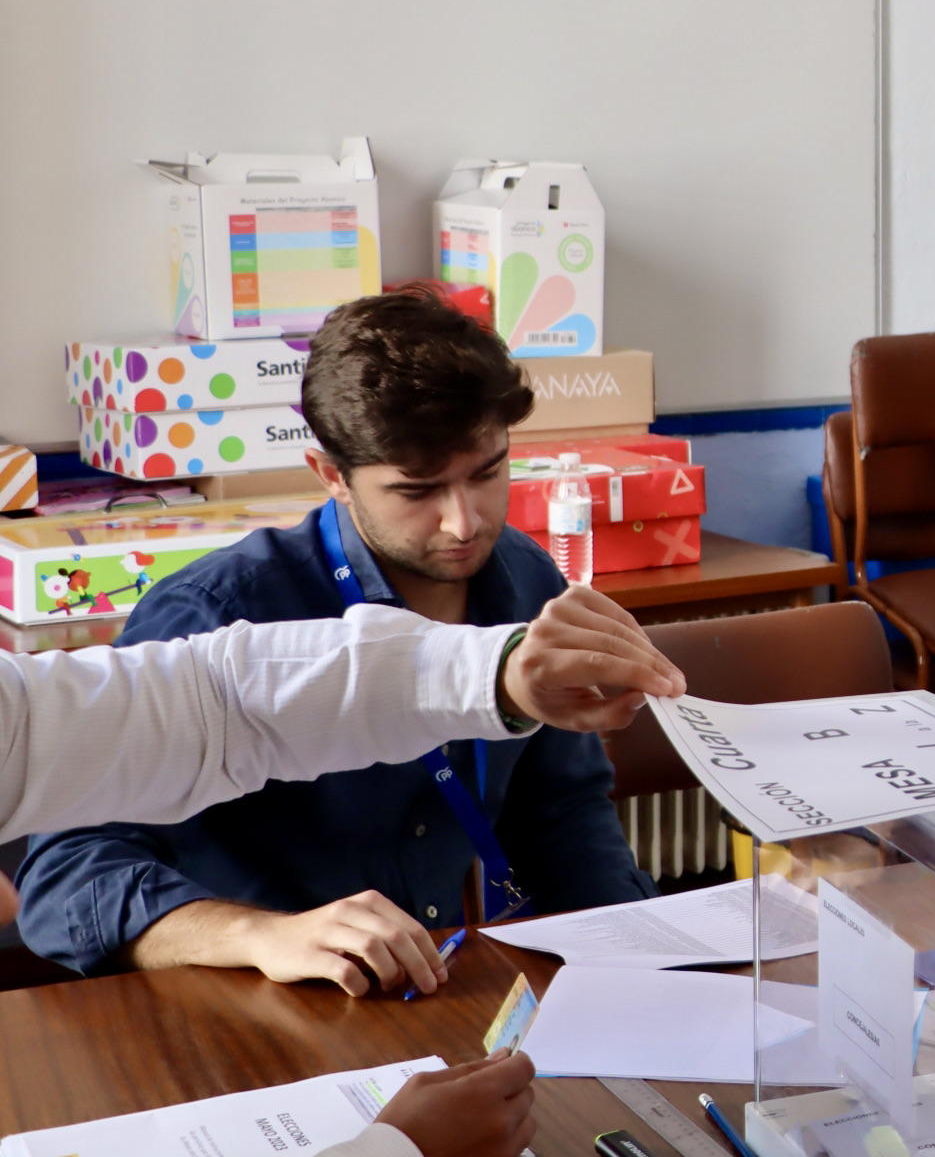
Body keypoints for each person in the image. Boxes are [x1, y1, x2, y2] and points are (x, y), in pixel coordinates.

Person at [18, 287, 657, 994]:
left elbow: (561, 810)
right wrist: (257, 934)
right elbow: (66, 876)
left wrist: (633, 959)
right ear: (332, 476)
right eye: (416, 492)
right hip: (257, 1013)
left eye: (487, 473)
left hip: (438, 993)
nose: (463, 523)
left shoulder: (526, 577)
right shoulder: (221, 612)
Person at [0, 598, 688, 1157]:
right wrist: (400, 1149)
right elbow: (69, 876)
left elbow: (217, 702)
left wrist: (493, 674)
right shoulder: (215, 593)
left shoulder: (525, 581)